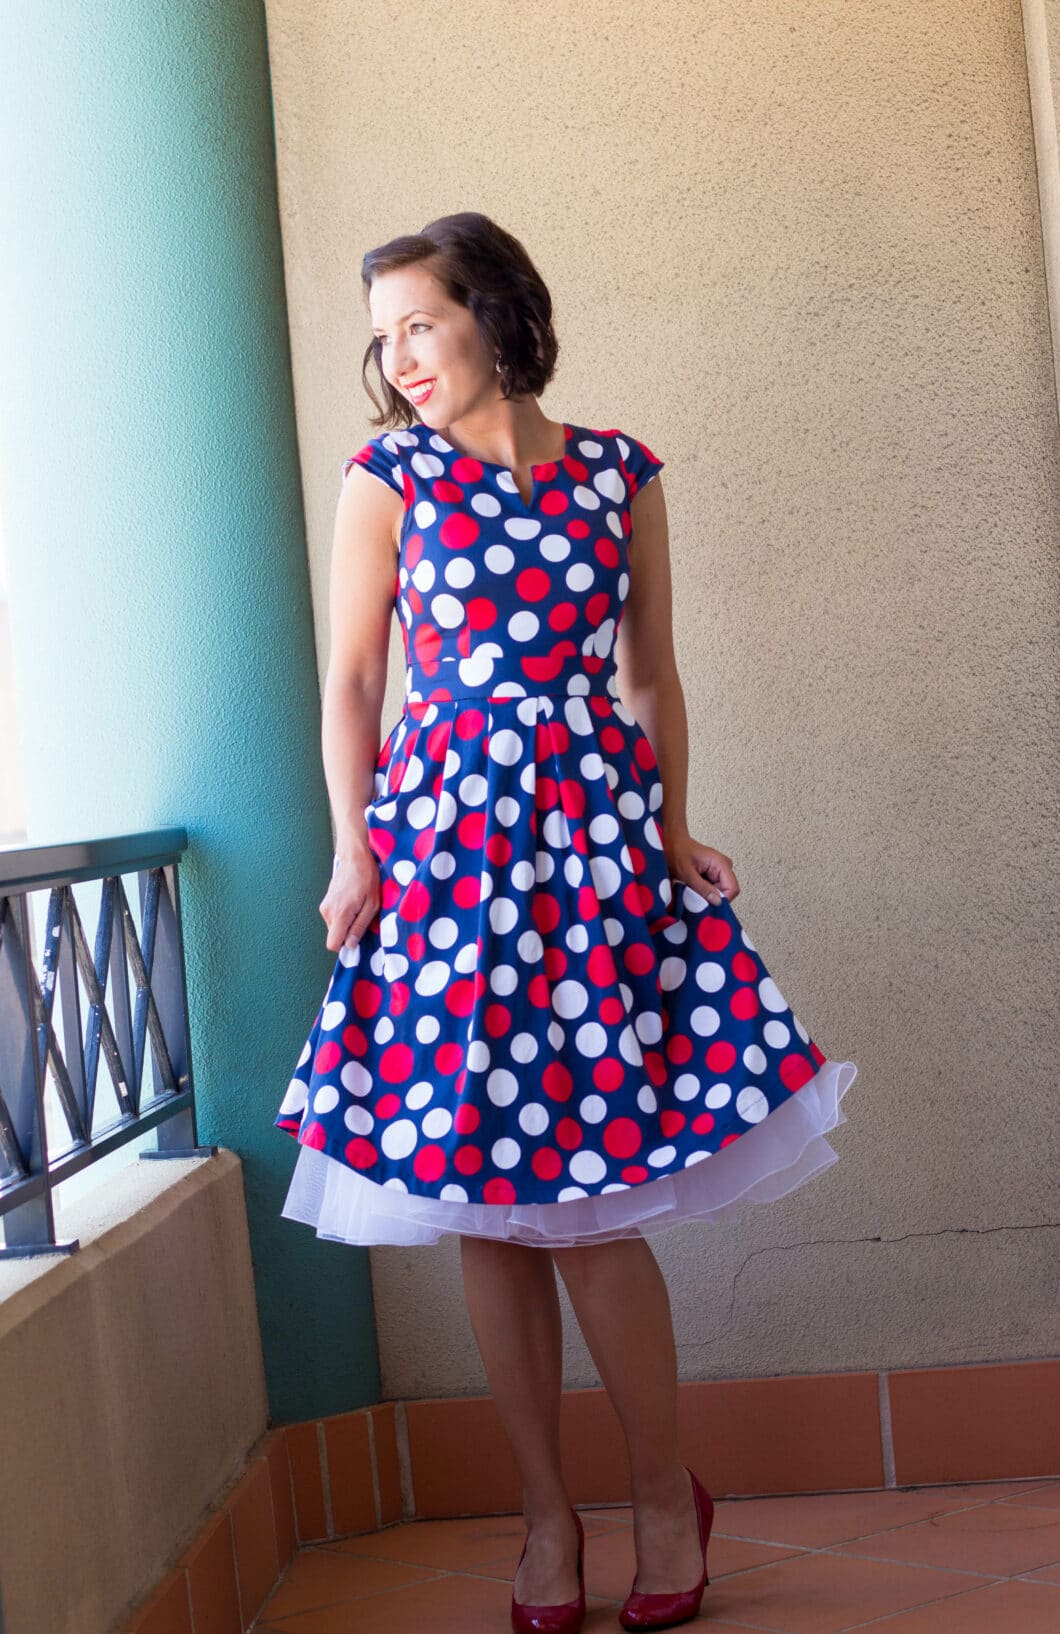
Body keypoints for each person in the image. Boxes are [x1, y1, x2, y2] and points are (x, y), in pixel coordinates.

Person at [274, 212, 858, 1631]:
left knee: (593, 1204)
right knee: (486, 1198)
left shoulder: (618, 470)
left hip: (592, 851)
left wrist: (666, 826)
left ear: (494, 312)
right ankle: (548, 1521)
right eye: (385, 333)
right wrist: (356, 852)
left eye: (422, 320)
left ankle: (664, 1491)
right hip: (448, 857)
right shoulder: (387, 477)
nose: (400, 356)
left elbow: (651, 676)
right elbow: (354, 684)